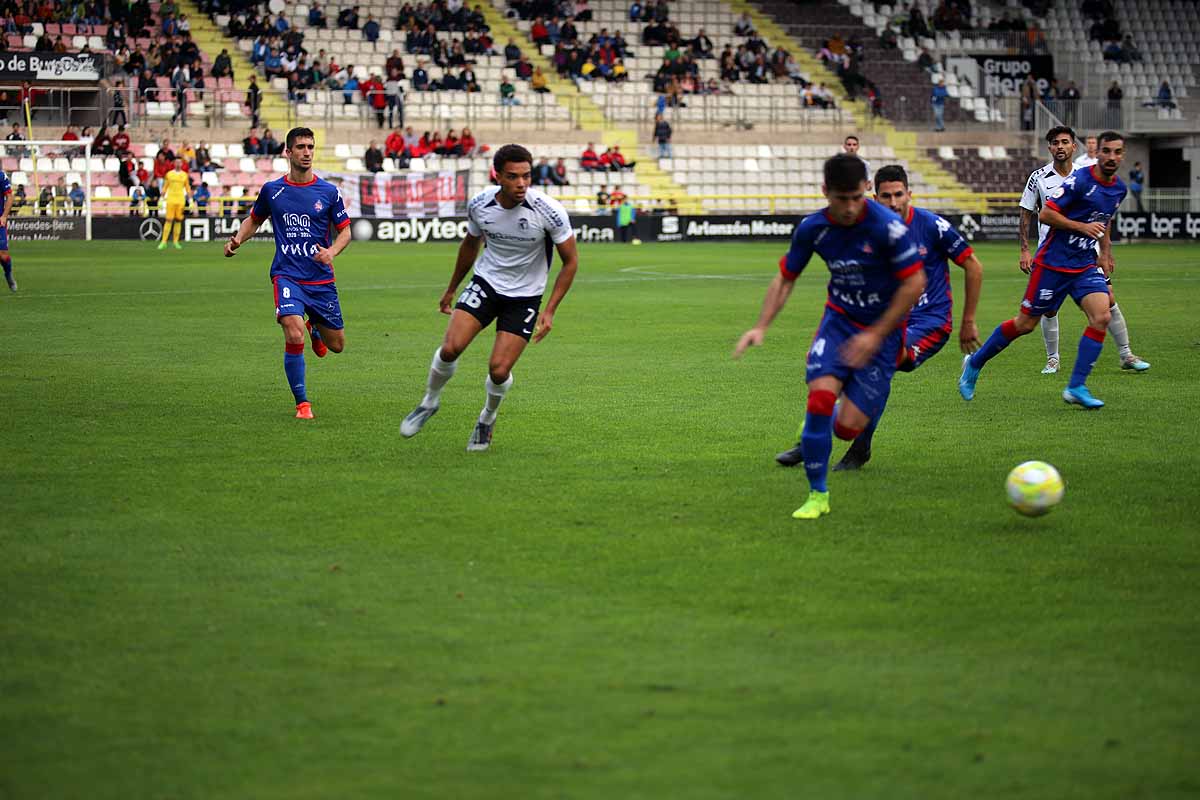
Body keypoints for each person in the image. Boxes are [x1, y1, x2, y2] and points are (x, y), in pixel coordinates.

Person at [733, 154, 926, 519]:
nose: (851, 207)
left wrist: (876, 334)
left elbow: (915, 283)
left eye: (856, 197)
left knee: (847, 428)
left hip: (883, 335)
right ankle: (817, 496)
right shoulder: (813, 229)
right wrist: (761, 325)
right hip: (838, 323)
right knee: (819, 400)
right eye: (841, 198)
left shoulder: (887, 228)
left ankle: (829, 422)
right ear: (825, 192)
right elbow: (786, 277)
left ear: (866, 189)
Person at [777, 164, 983, 470]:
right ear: (875, 195)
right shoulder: (871, 226)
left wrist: (968, 321)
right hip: (884, 318)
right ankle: (836, 441)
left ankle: (829, 440)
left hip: (929, 321)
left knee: (875, 361)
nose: (893, 202)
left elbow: (973, 266)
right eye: (885, 196)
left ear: (909, 193)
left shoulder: (931, 226)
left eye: (899, 194)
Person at [399, 144, 580, 452]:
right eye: (513, 176)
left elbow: (571, 261)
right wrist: (451, 287)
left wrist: (549, 311)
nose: (521, 183)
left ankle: (487, 418)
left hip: (525, 297)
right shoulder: (480, 204)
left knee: (498, 370)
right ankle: (429, 402)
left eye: (526, 176)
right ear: (498, 176)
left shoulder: (548, 210)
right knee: (450, 347)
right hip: (486, 283)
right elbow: (470, 245)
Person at [960, 131, 1131, 410]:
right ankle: (974, 362)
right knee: (1024, 324)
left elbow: (1104, 219)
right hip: (1053, 262)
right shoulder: (1079, 181)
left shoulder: (1118, 189)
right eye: (1107, 151)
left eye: (1118, 152)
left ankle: (1076, 386)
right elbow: (1046, 214)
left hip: (1085, 263)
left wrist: (1105, 252)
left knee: (1101, 315)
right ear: (1096, 153)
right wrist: (1081, 228)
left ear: (1122, 155)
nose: (1112, 157)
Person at [223, 127, 353, 420]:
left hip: (320, 279)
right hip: (287, 275)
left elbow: (345, 231)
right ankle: (302, 404)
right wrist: (237, 240)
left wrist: (331, 252)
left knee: (337, 346)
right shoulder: (273, 190)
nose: (307, 152)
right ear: (288, 152)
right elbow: (254, 220)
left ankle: (316, 326)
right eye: (301, 147)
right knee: (294, 334)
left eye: (310, 147)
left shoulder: (329, 192)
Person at [1020, 126, 1149, 374]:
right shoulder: (1038, 177)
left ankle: (1126, 354)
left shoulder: (1086, 174)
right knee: (1049, 308)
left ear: (1073, 147)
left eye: (1065, 142)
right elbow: (1026, 213)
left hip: (1086, 252)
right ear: (1050, 148)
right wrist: (1025, 250)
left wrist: (1105, 252)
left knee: (1108, 300)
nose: (1060, 147)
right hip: (1052, 253)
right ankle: (1053, 359)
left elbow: (1104, 215)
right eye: (1055, 143)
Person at [157, 158, 192, 250]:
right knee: (168, 220)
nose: (178, 164)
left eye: (180, 162)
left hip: (180, 200)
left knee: (178, 220)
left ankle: (176, 242)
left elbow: (187, 188)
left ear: (182, 164)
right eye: (176, 162)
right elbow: (165, 187)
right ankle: (163, 242)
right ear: (174, 163)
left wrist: (191, 200)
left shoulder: (184, 175)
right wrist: (161, 199)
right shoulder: (169, 174)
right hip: (171, 199)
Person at [0, 168, 15, 291]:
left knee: (3, 256)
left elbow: (10, 196)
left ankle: (8, 273)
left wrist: (4, 216)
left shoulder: (1, 176)